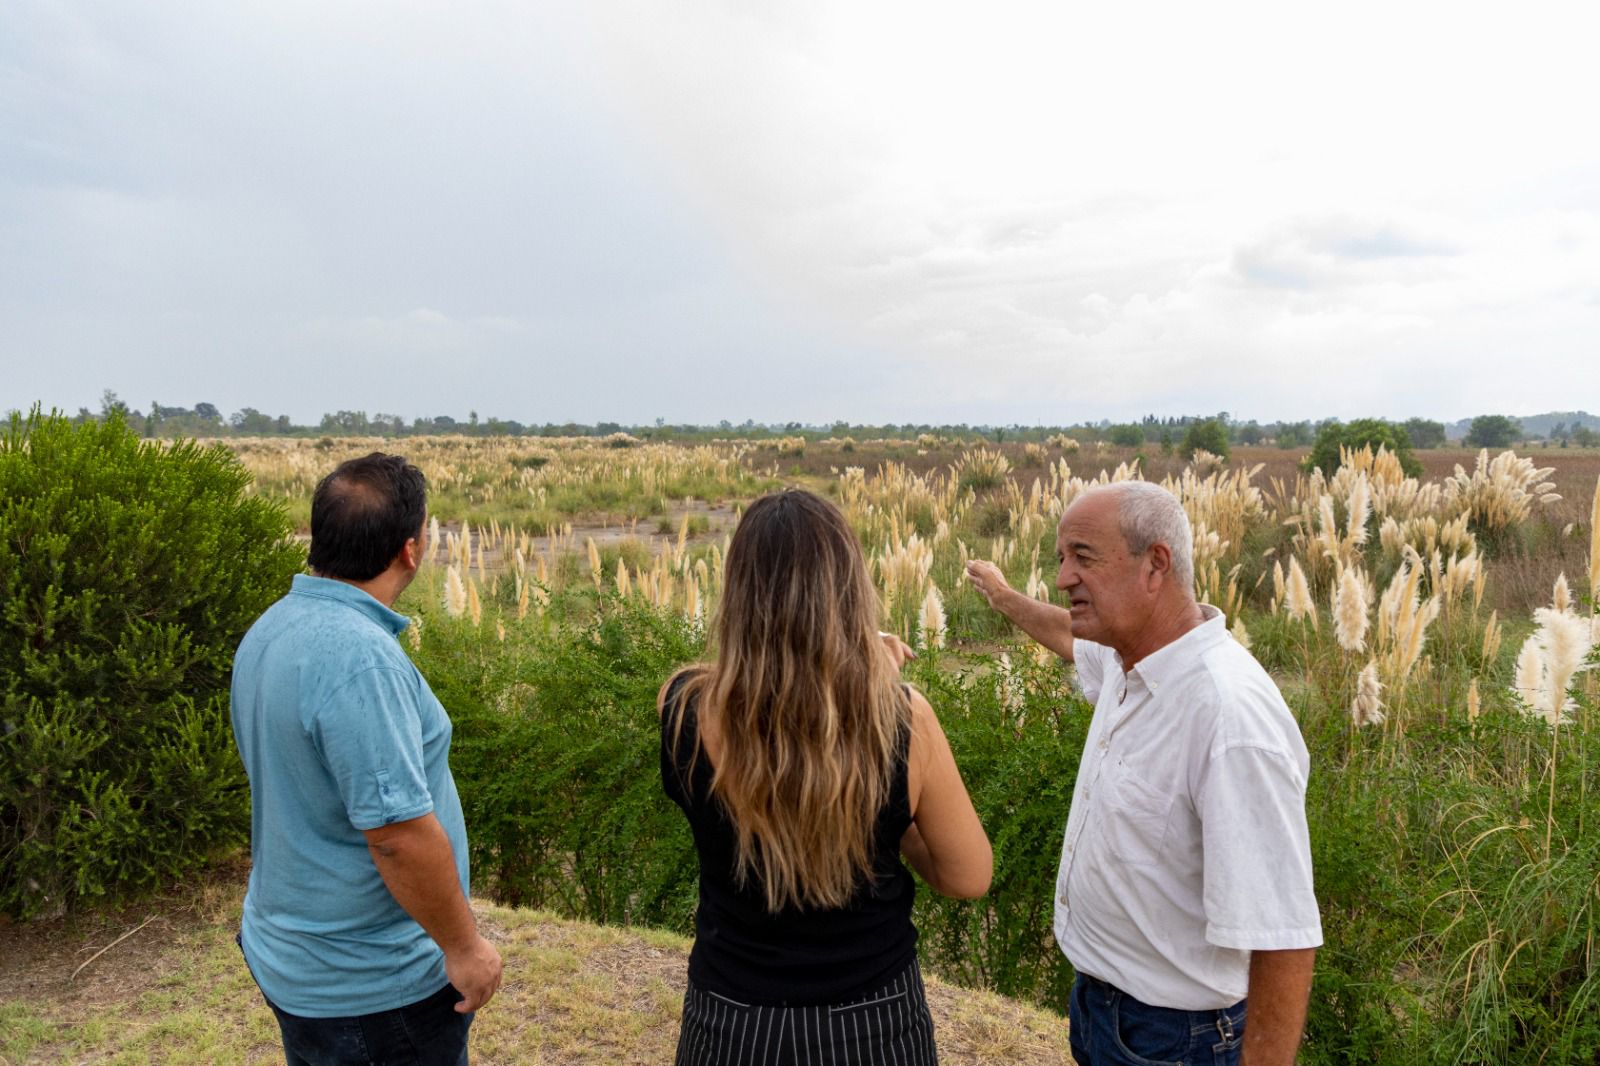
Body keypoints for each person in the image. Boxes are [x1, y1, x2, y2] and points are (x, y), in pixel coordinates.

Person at [965, 481, 1320, 1066]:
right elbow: (1066, 635)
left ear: (1156, 564)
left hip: (1180, 1040)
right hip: (1105, 1013)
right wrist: (1003, 598)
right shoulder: (1128, 658)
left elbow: (1282, 935)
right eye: (1061, 559)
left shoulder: (1228, 717)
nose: (1062, 578)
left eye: (1083, 557)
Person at [659, 489, 992, 1065]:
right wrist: (889, 819)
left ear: (738, 592)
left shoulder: (682, 706)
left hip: (729, 1018)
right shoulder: (904, 719)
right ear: (850, 588)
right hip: (874, 1023)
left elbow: (761, 703)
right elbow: (967, 876)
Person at [231, 453, 502, 1066]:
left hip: (299, 957)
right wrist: (465, 950)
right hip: (372, 988)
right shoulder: (359, 661)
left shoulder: (273, 627)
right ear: (410, 549)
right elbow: (397, 835)